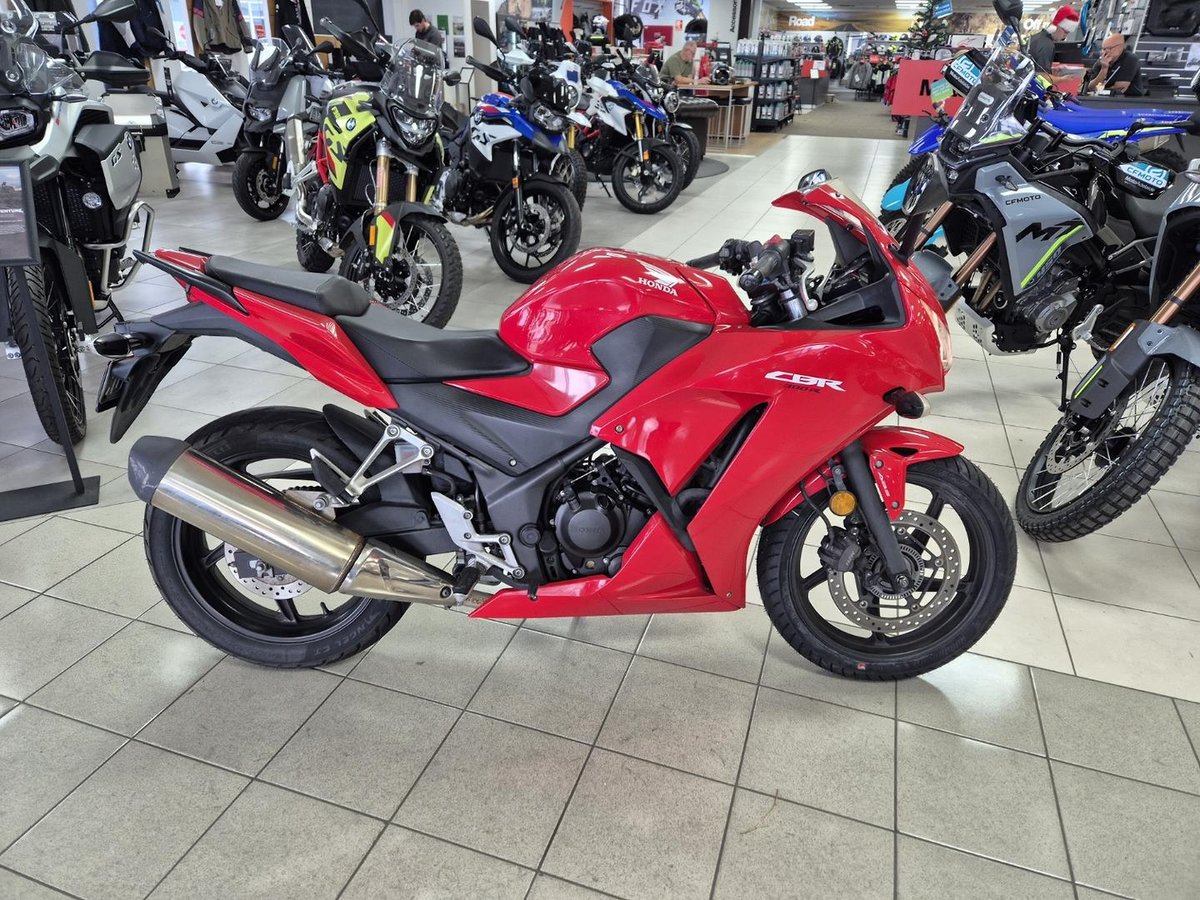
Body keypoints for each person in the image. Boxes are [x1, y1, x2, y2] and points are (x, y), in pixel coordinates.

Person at [1028, 5, 1079, 87]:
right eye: (1065, 32)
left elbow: (1034, 68)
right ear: (1056, 27)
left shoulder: (1035, 37)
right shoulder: (1047, 45)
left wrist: (1051, 70)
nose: (1065, 36)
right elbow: (1041, 78)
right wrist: (1062, 79)